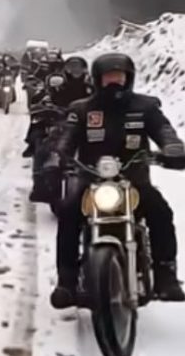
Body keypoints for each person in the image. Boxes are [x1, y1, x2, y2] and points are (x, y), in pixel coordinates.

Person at [50, 52, 185, 308]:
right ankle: (66, 282)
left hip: (134, 181)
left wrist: (173, 149)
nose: (114, 82)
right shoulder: (81, 109)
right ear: (98, 80)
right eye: (109, 77)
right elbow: (66, 137)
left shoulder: (145, 107)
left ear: (129, 78)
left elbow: (164, 130)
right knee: (68, 212)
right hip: (91, 181)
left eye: (119, 77)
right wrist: (57, 158)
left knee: (160, 211)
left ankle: (165, 276)